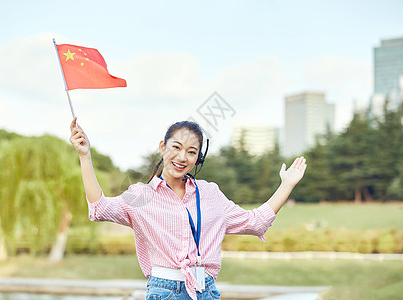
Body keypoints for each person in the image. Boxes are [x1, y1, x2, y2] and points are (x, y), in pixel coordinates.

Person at [69, 118, 307, 300]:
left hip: (206, 291)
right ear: (163, 147)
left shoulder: (210, 194)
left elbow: (256, 222)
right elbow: (99, 207)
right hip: (164, 291)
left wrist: (287, 184)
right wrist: (85, 156)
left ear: (198, 158)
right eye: (176, 147)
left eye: (191, 152)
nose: (182, 157)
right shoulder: (141, 196)